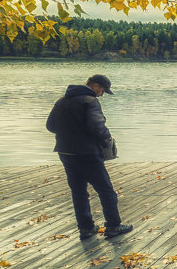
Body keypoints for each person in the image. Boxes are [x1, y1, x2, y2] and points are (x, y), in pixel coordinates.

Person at [46, 74, 132, 241]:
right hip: (87, 153)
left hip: (65, 152)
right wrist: (107, 138)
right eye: (103, 90)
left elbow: (50, 126)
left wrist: (68, 132)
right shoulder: (90, 101)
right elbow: (97, 127)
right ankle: (113, 226)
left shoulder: (62, 100)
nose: (102, 94)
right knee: (106, 190)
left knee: (78, 191)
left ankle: (86, 228)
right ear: (95, 86)